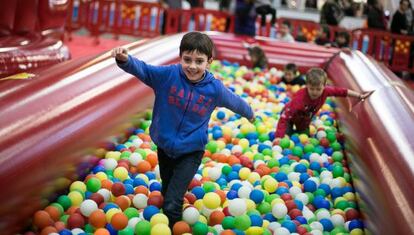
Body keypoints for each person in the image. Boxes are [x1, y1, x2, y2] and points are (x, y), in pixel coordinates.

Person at [112, 32, 255, 229]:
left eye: (199, 61)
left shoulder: (214, 89)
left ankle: (172, 226)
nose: (192, 66)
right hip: (164, 146)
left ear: (209, 62)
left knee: (172, 202)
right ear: (180, 57)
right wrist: (125, 60)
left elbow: (234, 101)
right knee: (166, 191)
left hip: (191, 151)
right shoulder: (168, 76)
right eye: (187, 59)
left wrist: (249, 113)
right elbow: (144, 70)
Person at [275, 68, 371, 138]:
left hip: (304, 119)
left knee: (303, 137)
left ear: (324, 86)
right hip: (290, 117)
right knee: (286, 137)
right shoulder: (299, 99)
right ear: (307, 85)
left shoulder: (326, 91)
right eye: (311, 89)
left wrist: (359, 96)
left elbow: (342, 91)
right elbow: (285, 116)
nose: (315, 92)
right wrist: (279, 137)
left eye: (318, 89)